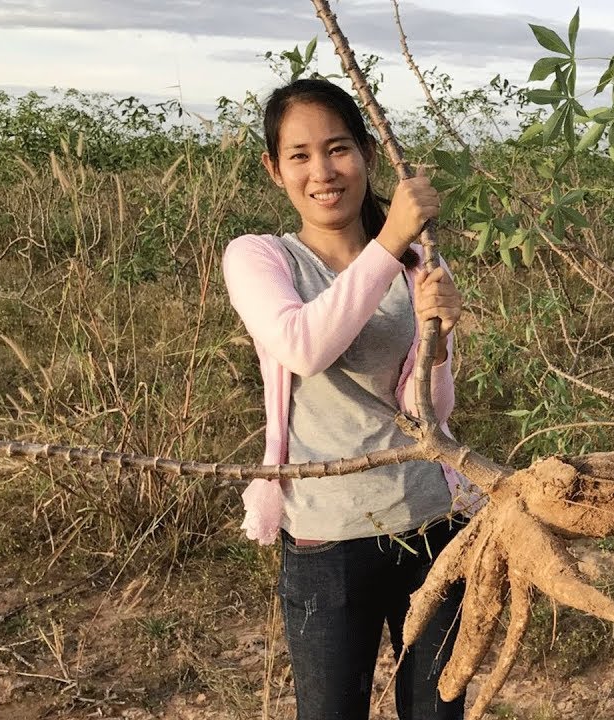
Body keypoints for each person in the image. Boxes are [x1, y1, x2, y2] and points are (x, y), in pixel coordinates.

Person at [222, 77, 478, 720]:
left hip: (431, 522)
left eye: (338, 149)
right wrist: (390, 242)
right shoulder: (260, 258)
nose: (322, 171)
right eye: (300, 155)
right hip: (324, 538)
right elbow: (302, 346)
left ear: (365, 152)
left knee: (438, 709)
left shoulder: (420, 262)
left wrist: (440, 342)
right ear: (274, 168)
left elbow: (431, 414)